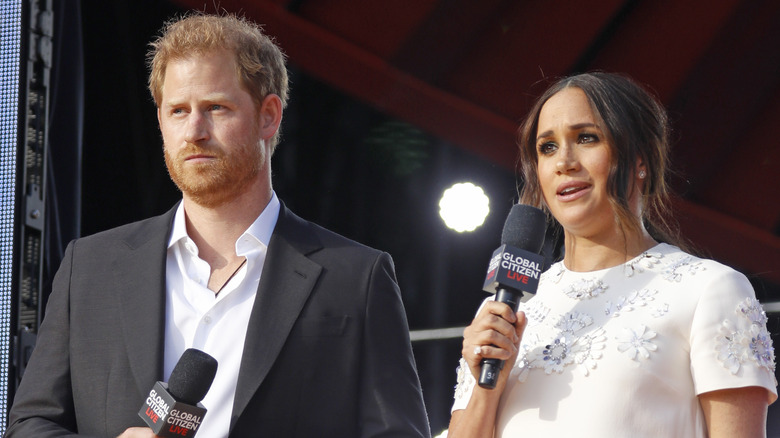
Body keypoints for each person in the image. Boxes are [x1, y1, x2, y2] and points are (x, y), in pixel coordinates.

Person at [5, 12, 431, 438]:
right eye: (177, 110)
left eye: (215, 108)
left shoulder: (356, 278)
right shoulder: (91, 268)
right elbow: (29, 425)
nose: (194, 131)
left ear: (269, 116)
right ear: (161, 121)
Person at [447, 72, 777, 437]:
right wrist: (485, 387)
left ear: (641, 159)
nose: (564, 162)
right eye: (548, 147)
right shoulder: (507, 311)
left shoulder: (709, 290)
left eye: (586, 138)